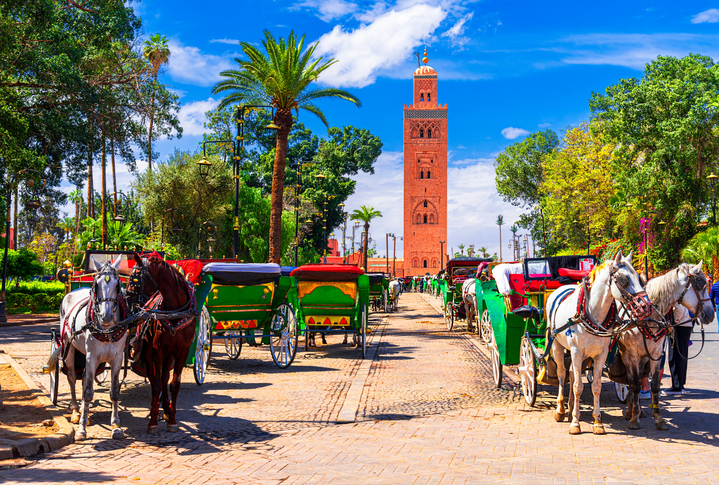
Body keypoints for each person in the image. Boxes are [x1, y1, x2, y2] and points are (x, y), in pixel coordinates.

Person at [665, 305, 693, 395]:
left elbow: (680, 309)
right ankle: (680, 384)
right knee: (681, 355)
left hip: (679, 326)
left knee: (674, 356)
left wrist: (673, 324)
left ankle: (677, 386)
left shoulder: (676, 297)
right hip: (685, 324)